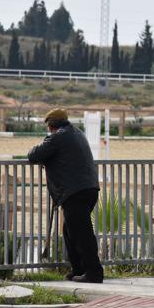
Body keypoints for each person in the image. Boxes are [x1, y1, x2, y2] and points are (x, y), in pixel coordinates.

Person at [27, 108, 104, 283]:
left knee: (82, 233)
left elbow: (34, 155)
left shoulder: (58, 137)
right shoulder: (76, 133)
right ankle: (78, 270)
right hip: (88, 188)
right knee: (70, 231)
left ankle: (94, 273)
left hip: (75, 191)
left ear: (50, 126)